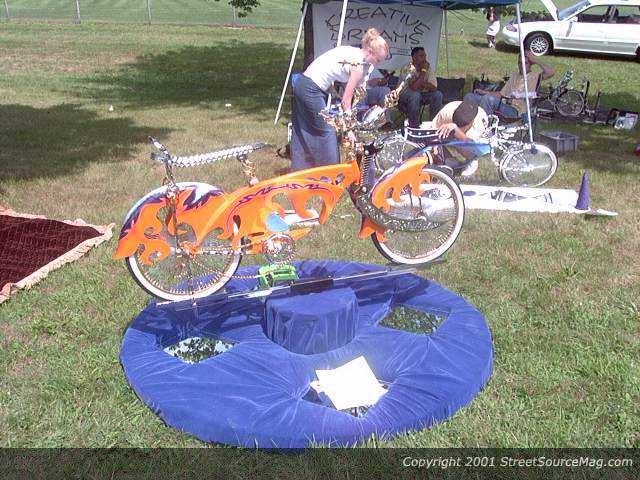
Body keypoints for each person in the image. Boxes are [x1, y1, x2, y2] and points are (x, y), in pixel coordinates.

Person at [290, 29, 389, 172]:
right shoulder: (358, 65)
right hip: (310, 89)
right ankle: (331, 173)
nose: (377, 64)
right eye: (378, 60)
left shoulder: (353, 52)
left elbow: (326, 67)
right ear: (369, 52)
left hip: (302, 83)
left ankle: (302, 170)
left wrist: (333, 92)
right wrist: (348, 130)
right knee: (328, 130)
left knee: (303, 128)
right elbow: (346, 101)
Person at [463, 50, 555, 120]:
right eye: (520, 63)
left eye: (525, 63)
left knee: (488, 100)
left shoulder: (534, 76)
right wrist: (484, 92)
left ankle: (485, 127)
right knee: (469, 96)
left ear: (531, 64)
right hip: (503, 104)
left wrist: (535, 60)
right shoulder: (515, 76)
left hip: (516, 111)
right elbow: (501, 94)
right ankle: (468, 124)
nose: (522, 66)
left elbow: (551, 72)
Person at [430, 100, 489, 176]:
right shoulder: (447, 111)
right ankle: (449, 161)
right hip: (448, 126)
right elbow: (433, 130)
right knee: (426, 139)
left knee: (467, 148)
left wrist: (456, 130)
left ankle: (471, 162)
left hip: (469, 140)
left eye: (461, 126)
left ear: (471, 123)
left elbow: (471, 144)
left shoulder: (479, 121)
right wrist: (435, 149)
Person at [397, 47, 443, 128]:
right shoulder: (407, 68)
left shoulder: (427, 68)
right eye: (421, 56)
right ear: (414, 57)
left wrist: (420, 82)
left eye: (425, 56)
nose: (424, 58)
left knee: (437, 95)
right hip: (403, 95)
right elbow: (414, 87)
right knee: (415, 95)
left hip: (422, 94)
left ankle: (435, 124)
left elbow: (434, 87)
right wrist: (423, 72)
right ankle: (414, 125)